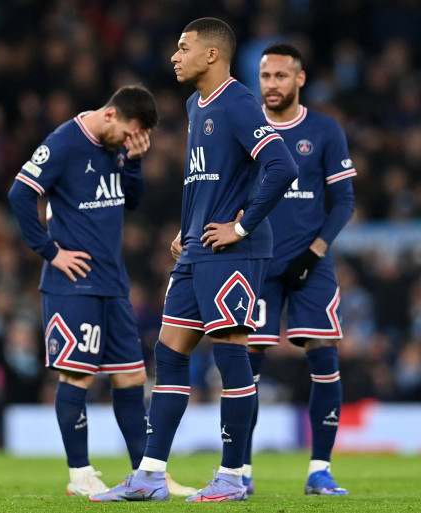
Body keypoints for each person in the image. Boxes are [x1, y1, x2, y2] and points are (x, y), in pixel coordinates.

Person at [90, 18, 298, 503]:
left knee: (230, 354)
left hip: (235, 249)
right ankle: (149, 476)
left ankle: (231, 477)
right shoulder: (194, 104)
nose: (174, 56)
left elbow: (281, 165)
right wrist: (189, 228)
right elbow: (208, 176)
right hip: (198, 248)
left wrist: (240, 226)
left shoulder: (238, 101)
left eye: (183, 48)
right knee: (169, 353)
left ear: (212, 55)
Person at [7, 85, 193, 498]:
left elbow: (131, 200)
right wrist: (50, 251)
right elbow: (20, 193)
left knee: (131, 377)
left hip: (112, 282)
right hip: (72, 285)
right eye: (130, 134)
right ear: (111, 115)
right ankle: (80, 473)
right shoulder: (64, 142)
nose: (130, 142)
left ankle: (148, 475)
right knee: (77, 375)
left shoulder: (119, 149)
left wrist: (135, 162)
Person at [242, 43, 356, 495]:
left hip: (313, 262)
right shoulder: (244, 129)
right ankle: (240, 473)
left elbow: (344, 201)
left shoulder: (325, 130)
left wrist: (314, 252)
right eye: (266, 76)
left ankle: (319, 470)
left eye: (281, 76)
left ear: (300, 79)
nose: (272, 85)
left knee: (325, 360)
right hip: (256, 264)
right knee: (243, 368)